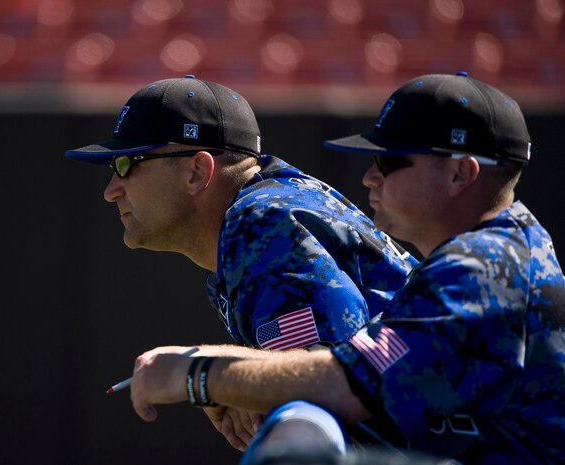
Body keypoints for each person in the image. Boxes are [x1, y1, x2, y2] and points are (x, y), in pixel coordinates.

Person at [126, 73, 565, 465]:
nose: (370, 179)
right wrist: (245, 381)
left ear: (459, 174)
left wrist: (197, 374)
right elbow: (351, 368)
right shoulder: (498, 252)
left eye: (390, 162)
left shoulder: (483, 268)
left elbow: (345, 386)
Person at [65, 75, 416, 449]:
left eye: (126, 163)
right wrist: (239, 389)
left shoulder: (260, 222)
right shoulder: (266, 209)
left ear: (197, 172)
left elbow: (331, 386)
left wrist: (203, 373)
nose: (110, 190)